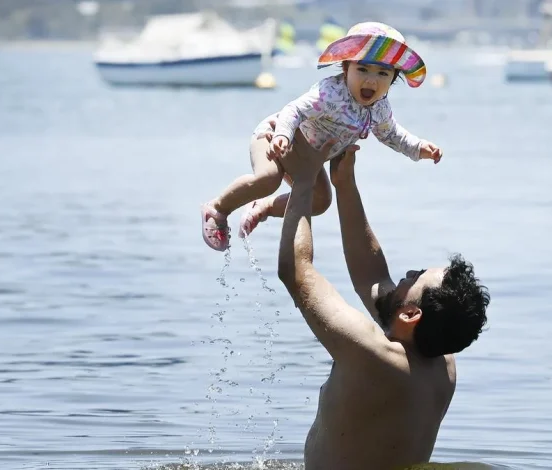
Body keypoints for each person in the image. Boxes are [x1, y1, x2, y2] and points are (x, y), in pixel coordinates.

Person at [275, 126, 490, 470]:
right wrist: (344, 184)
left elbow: (295, 271)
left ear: (410, 315)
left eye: (416, 277)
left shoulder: (375, 356)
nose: (408, 274)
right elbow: (372, 277)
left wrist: (303, 179)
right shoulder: (442, 365)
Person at [201, 21, 443, 252]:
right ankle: (217, 209)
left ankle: (264, 209)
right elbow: (294, 110)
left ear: (393, 78)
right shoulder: (330, 93)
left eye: (382, 73)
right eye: (362, 69)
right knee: (268, 179)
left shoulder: (380, 108)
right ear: (346, 68)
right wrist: (283, 135)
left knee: (320, 201)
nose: (371, 80)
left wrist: (418, 148)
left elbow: (392, 134)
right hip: (275, 137)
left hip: (308, 160)